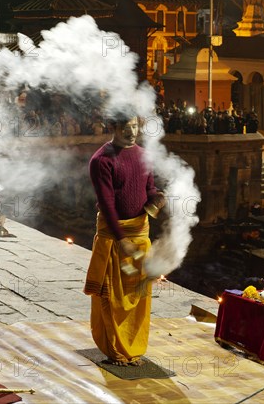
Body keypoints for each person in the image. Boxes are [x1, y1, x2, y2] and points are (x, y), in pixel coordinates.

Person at [84, 115, 165, 366]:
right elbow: (107, 203)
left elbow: (148, 187)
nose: (132, 132)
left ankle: (134, 348)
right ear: (113, 128)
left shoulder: (143, 155)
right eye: (126, 127)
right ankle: (115, 350)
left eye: (135, 126)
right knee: (113, 297)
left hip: (140, 233)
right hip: (115, 235)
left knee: (139, 296)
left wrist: (156, 198)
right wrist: (120, 239)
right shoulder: (101, 160)